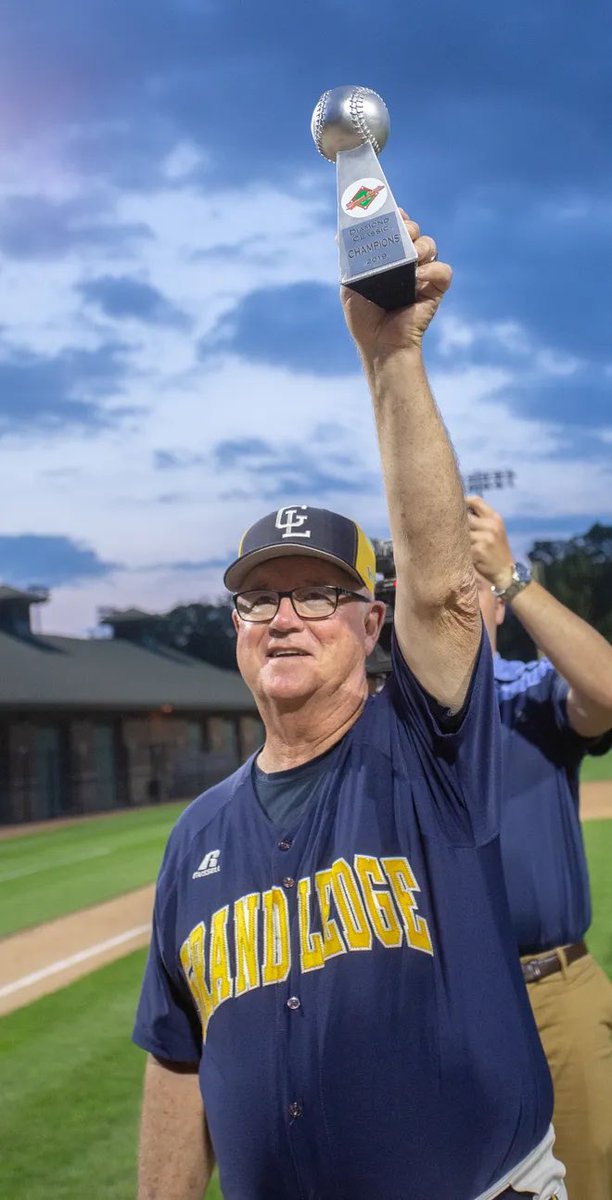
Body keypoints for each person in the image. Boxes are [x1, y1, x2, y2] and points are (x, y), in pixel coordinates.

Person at [132, 214, 566, 1200]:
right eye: (258, 598)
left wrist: (392, 359)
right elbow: (175, 1059)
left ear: (370, 626)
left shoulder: (430, 747)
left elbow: (443, 589)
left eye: (317, 595)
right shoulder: (195, 836)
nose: (283, 617)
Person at [469, 492, 612, 1200]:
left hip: (554, 989)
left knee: (588, 1180)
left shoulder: (531, 693)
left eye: (472, 584)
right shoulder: (386, 726)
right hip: (449, 1007)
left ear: (496, 605)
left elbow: (609, 688)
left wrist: (511, 575)